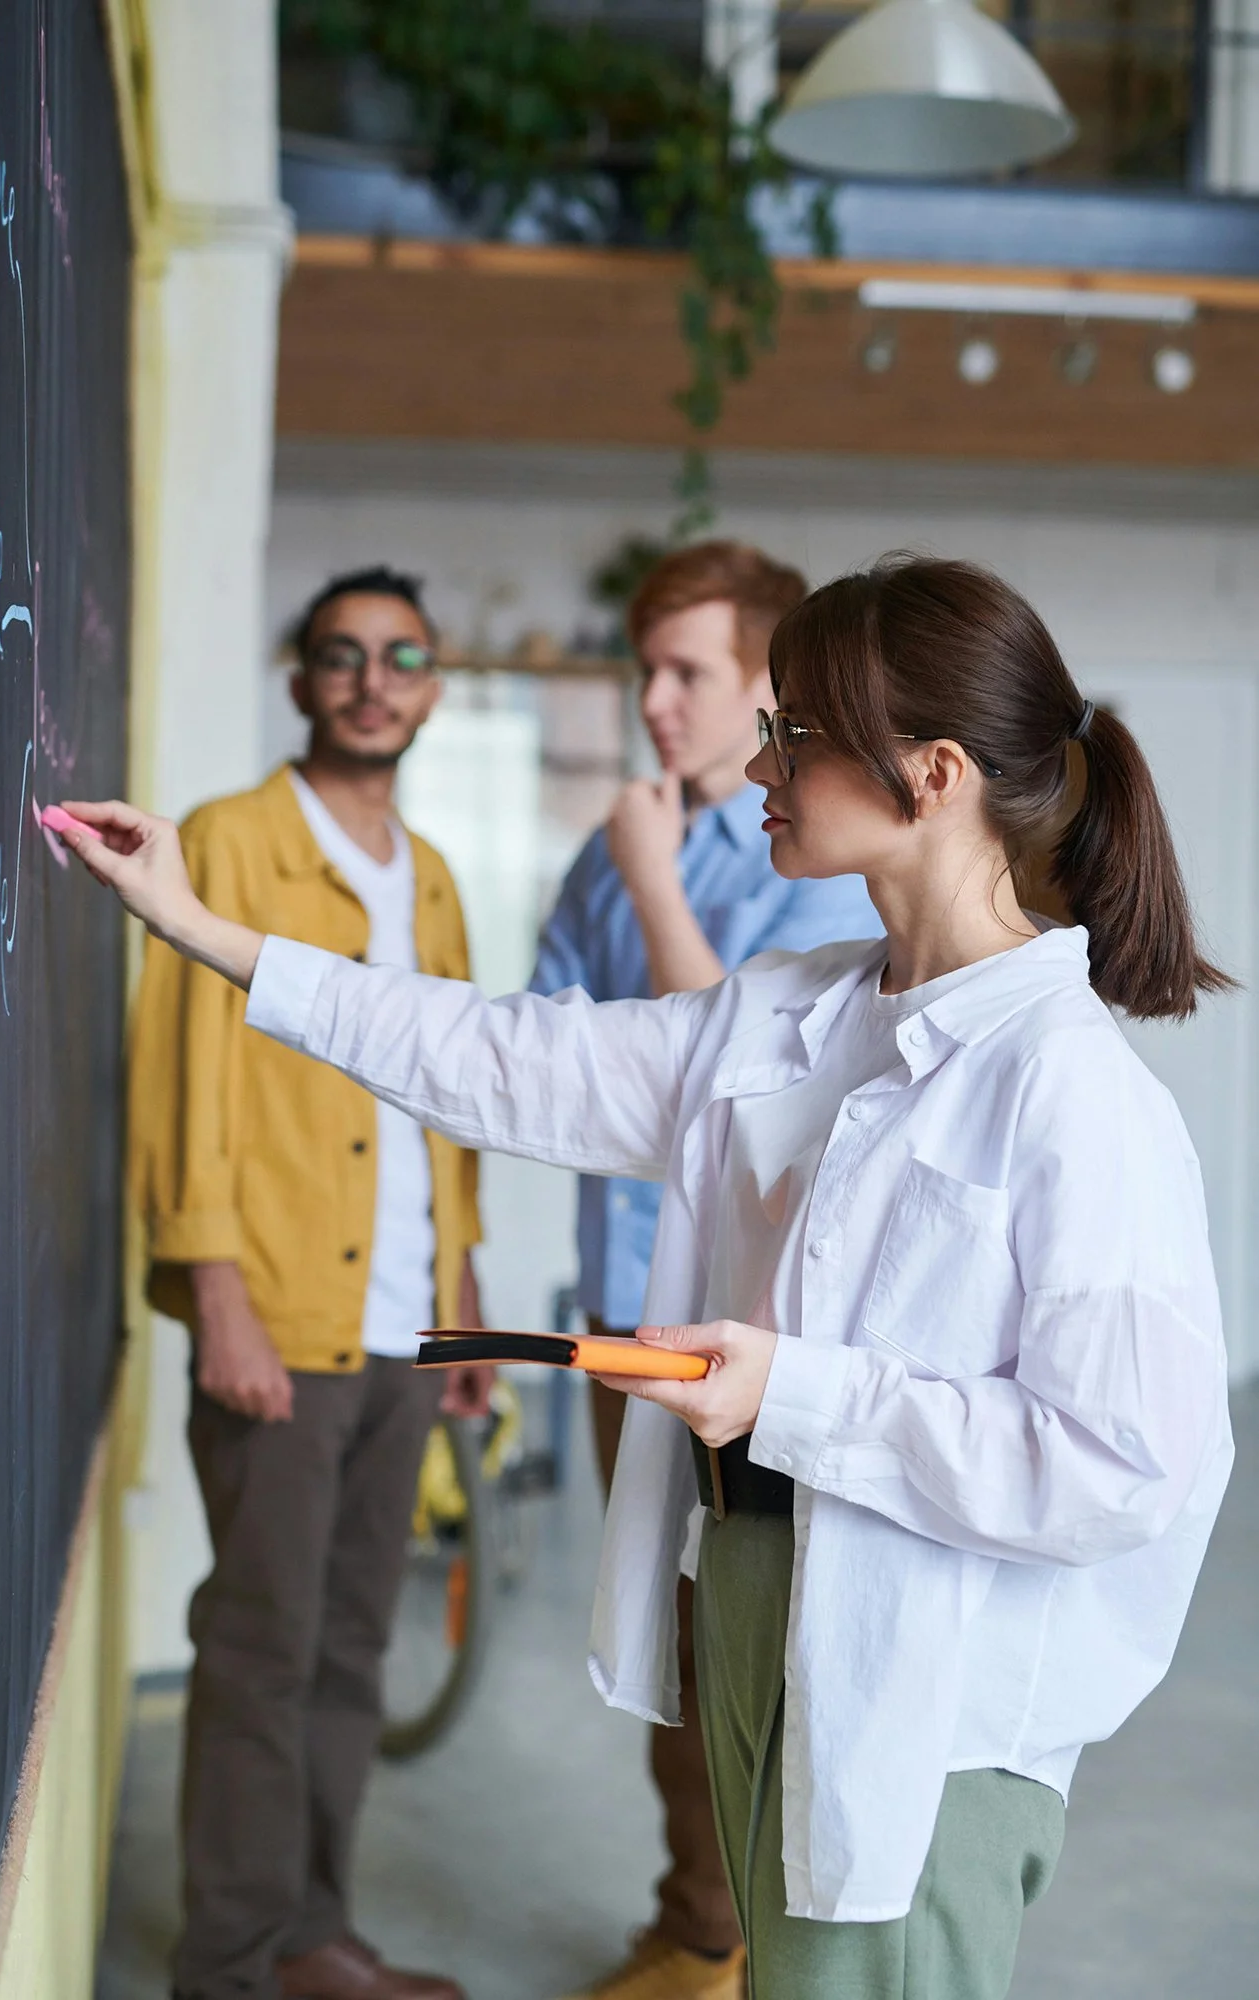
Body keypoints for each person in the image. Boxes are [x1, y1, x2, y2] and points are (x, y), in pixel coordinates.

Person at [67, 554, 1234, 2000]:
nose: (760, 759)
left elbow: (1116, 1466)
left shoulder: (1075, 1095)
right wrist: (209, 932)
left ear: (932, 775)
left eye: (795, 730)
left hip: (924, 1682)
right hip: (755, 1591)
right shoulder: (792, 1009)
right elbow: (504, 1055)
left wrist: (792, 1393)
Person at [128, 565, 489, 2000]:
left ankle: (307, 1941)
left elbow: (452, 1098)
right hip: (279, 1314)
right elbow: (181, 1084)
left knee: (352, 1648)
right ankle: (222, 1963)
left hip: (404, 1325)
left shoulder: (438, 874)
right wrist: (216, 1293)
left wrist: (460, 1300)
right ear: (301, 680)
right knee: (262, 1652)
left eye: (402, 656)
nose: (372, 680)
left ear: (433, 686)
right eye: (343, 655)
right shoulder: (223, 841)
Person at [529, 541, 880, 2000]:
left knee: (765, 1634)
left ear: (765, 690)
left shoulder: (810, 862)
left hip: (758, 1333)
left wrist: (652, 878)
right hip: (625, 1302)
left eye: (691, 673)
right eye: (647, 670)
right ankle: (700, 1931)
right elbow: (553, 1061)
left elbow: (730, 1088)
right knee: (660, 1630)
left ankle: (750, 1942)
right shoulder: (612, 844)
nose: (658, 701)